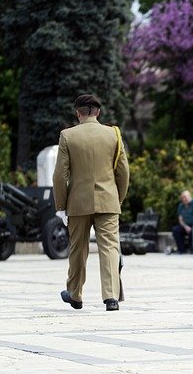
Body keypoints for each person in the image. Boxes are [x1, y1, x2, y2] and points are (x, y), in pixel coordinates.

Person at [53, 94, 130, 311]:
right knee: (109, 248)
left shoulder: (67, 136)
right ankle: (111, 297)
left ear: (78, 113)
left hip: (78, 202)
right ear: (98, 112)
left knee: (78, 248)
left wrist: (61, 205)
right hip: (108, 200)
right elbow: (123, 172)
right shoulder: (113, 134)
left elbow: (60, 175)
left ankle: (75, 295)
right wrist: (118, 198)